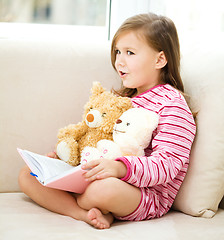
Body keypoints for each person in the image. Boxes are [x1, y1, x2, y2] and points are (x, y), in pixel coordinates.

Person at [18, 12, 196, 229]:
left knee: (103, 190)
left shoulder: (172, 105)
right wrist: (65, 162)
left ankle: (85, 202)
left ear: (160, 59)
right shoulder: (120, 100)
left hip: (143, 194)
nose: (119, 61)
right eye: (117, 52)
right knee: (28, 174)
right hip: (98, 174)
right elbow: (97, 139)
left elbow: (167, 165)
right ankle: (82, 213)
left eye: (130, 52)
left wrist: (120, 169)